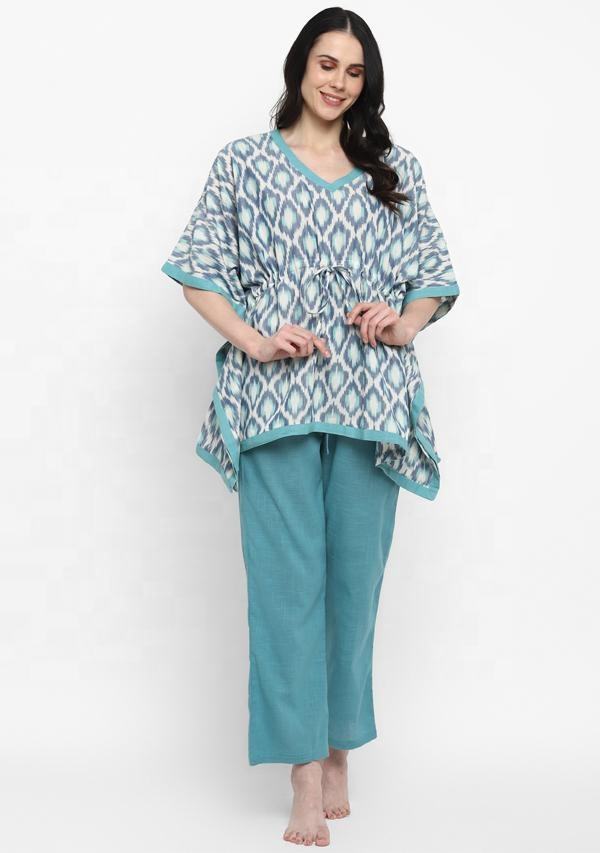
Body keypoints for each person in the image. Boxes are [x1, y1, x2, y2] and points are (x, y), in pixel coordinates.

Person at [161, 8, 460, 847]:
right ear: (300, 65)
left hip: (370, 399)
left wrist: (403, 321)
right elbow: (197, 271)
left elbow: (432, 275)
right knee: (286, 589)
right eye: (327, 64)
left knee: (354, 585)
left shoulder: (393, 170)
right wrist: (256, 339)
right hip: (275, 403)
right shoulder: (244, 164)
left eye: (355, 71)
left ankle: (337, 747)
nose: (339, 82)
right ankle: (302, 770)